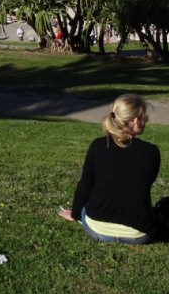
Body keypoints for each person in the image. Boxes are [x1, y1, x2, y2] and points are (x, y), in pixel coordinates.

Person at [59, 94, 160, 244]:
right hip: (138, 234)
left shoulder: (98, 146)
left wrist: (75, 214)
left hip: (98, 229)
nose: (146, 120)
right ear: (136, 120)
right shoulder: (151, 152)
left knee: (88, 186)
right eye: (144, 116)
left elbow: (85, 185)